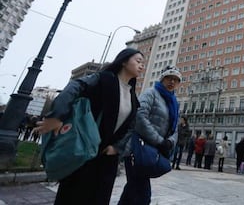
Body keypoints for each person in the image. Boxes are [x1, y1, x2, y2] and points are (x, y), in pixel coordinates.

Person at [34, 48, 145, 205]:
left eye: (143, 63)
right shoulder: (103, 79)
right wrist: (57, 115)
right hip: (84, 149)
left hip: (107, 159)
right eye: (138, 61)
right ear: (124, 61)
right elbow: (75, 86)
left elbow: (131, 126)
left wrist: (117, 147)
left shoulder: (133, 96)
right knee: (72, 197)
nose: (141, 66)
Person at [118, 65, 181, 205]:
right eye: (169, 78)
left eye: (176, 80)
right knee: (142, 194)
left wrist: (170, 142)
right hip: (137, 149)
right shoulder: (151, 93)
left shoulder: (174, 103)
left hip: (151, 151)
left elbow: (175, 128)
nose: (172, 82)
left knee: (132, 190)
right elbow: (140, 117)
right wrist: (159, 141)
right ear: (162, 78)